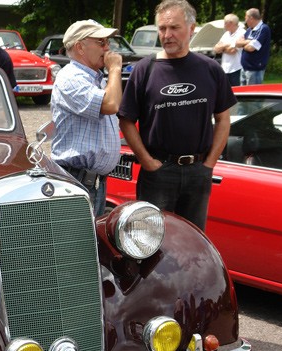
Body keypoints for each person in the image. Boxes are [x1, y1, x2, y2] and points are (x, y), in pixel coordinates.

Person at [117, 0, 236, 231]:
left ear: (192, 29)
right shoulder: (145, 69)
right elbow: (126, 120)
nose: (167, 34)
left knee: (193, 242)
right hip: (159, 171)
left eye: (174, 28)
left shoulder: (210, 69)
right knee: (151, 241)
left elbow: (223, 118)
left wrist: (209, 163)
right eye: (162, 28)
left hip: (198, 171)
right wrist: (147, 162)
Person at [50, 20, 123, 216]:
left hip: (92, 182)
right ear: (80, 47)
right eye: (101, 42)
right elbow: (111, 104)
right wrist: (115, 69)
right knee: (75, 245)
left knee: (91, 244)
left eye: (107, 42)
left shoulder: (94, 78)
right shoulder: (70, 78)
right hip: (77, 181)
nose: (107, 48)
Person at [236, 8, 272, 85]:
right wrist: (248, 42)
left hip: (254, 69)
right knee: (243, 95)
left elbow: (251, 48)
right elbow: (237, 43)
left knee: (252, 95)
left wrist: (243, 44)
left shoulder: (263, 29)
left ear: (251, 18)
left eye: (246, 18)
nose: (245, 21)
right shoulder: (249, 30)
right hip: (244, 68)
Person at [213, 13, 245, 86]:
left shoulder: (241, 33)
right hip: (225, 68)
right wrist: (227, 45)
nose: (224, 25)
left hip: (236, 68)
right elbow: (216, 49)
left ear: (231, 23)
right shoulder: (226, 34)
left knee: (237, 92)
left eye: (225, 23)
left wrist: (222, 48)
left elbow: (232, 51)